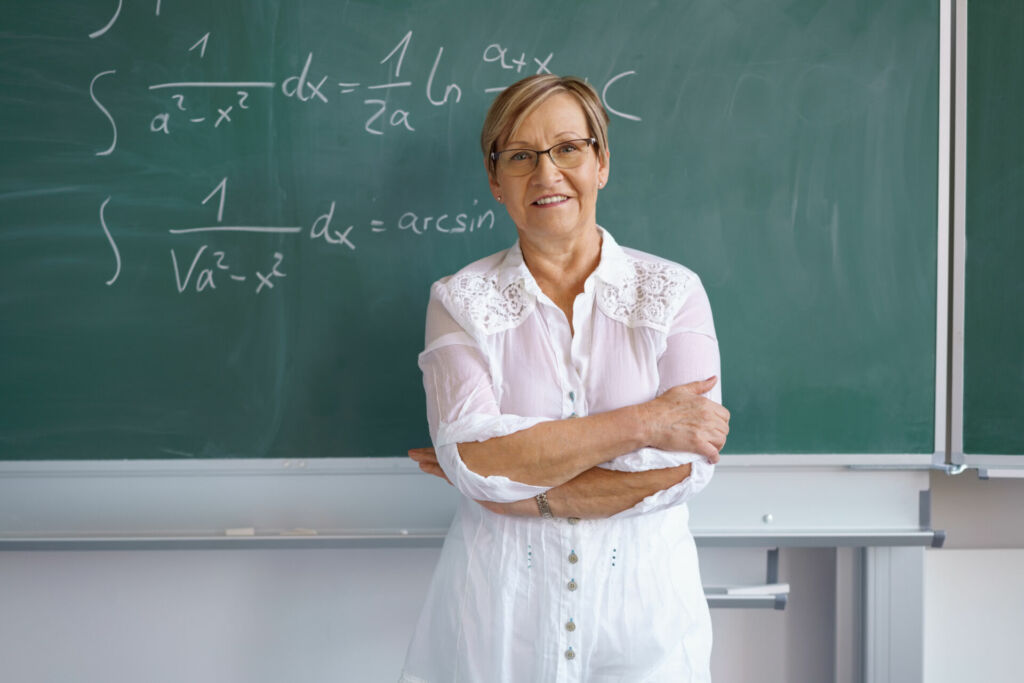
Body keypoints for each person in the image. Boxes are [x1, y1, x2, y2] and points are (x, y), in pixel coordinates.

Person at [400, 74, 729, 682]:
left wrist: (523, 484)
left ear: (601, 163)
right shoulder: (459, 300)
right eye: (521, 156)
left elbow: (686, 467)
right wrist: (647, 422)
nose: (546, 173)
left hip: (645, 622)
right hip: (499, 623)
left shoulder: (676, 293)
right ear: (496, 181)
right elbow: (474, 458)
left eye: (568, 149)